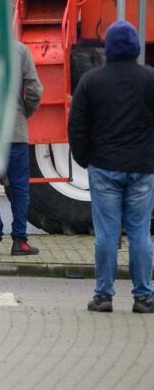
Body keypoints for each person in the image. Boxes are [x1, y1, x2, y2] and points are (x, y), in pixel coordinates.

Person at [67, 20, 154, 313]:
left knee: (106, 234)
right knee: (140, 233)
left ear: (109, 47)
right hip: (142, 168)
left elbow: (76, 125)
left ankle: (103, 295)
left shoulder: (91, 81)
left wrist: (85, 159)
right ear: (136, 47)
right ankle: (144, 297)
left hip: (103, 167)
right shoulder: (150, 79)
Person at [0, 41, 43, 256]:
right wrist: (24, 112)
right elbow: (34, 89)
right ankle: (19, 241)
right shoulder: (19, 50)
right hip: (15, 131)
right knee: (19, 188)